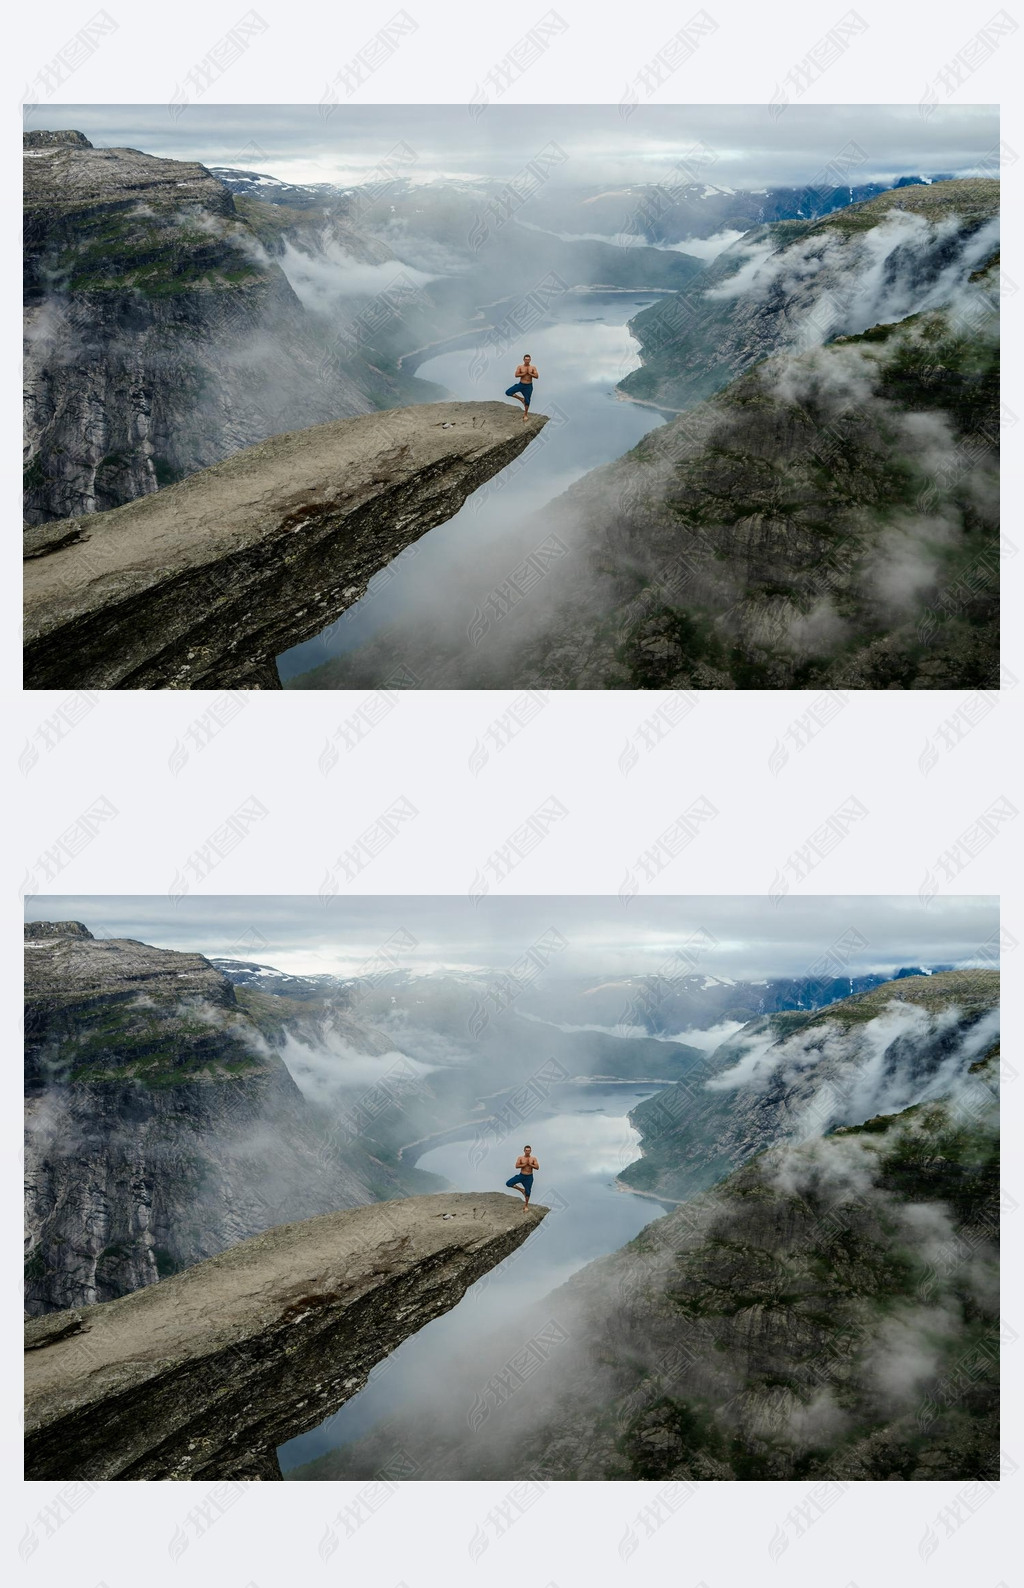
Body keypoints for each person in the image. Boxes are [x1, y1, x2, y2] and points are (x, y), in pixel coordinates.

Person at [505, 354, 539, 423]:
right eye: (526, 359)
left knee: (527, 401)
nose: (527, 360)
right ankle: (521, 399)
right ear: (523, 360)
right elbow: (516, 375)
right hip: (521, 384)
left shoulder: (533, 367)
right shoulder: (520, 367)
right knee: (508, 392)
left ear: (530, 360)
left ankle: (525, 415)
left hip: (528, 386)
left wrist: (530, 374)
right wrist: (524, 374)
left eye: (528, 359)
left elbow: (536, 376)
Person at [506, 1144, 540, 1210]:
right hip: (521, 1175)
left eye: (529, 1151)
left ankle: (526, 1205)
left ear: (531, 1151)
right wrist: (524, 1164)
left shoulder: (533, 1158)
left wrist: (530, 1164)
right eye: (526, 1150)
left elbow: (537, 1167)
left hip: (529, 1177)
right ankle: (521, 1190)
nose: (528, 1152)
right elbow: (516, 1166)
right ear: (524, 1151)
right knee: (508, 1183)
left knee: (528, 1192)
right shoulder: (520, 1158)